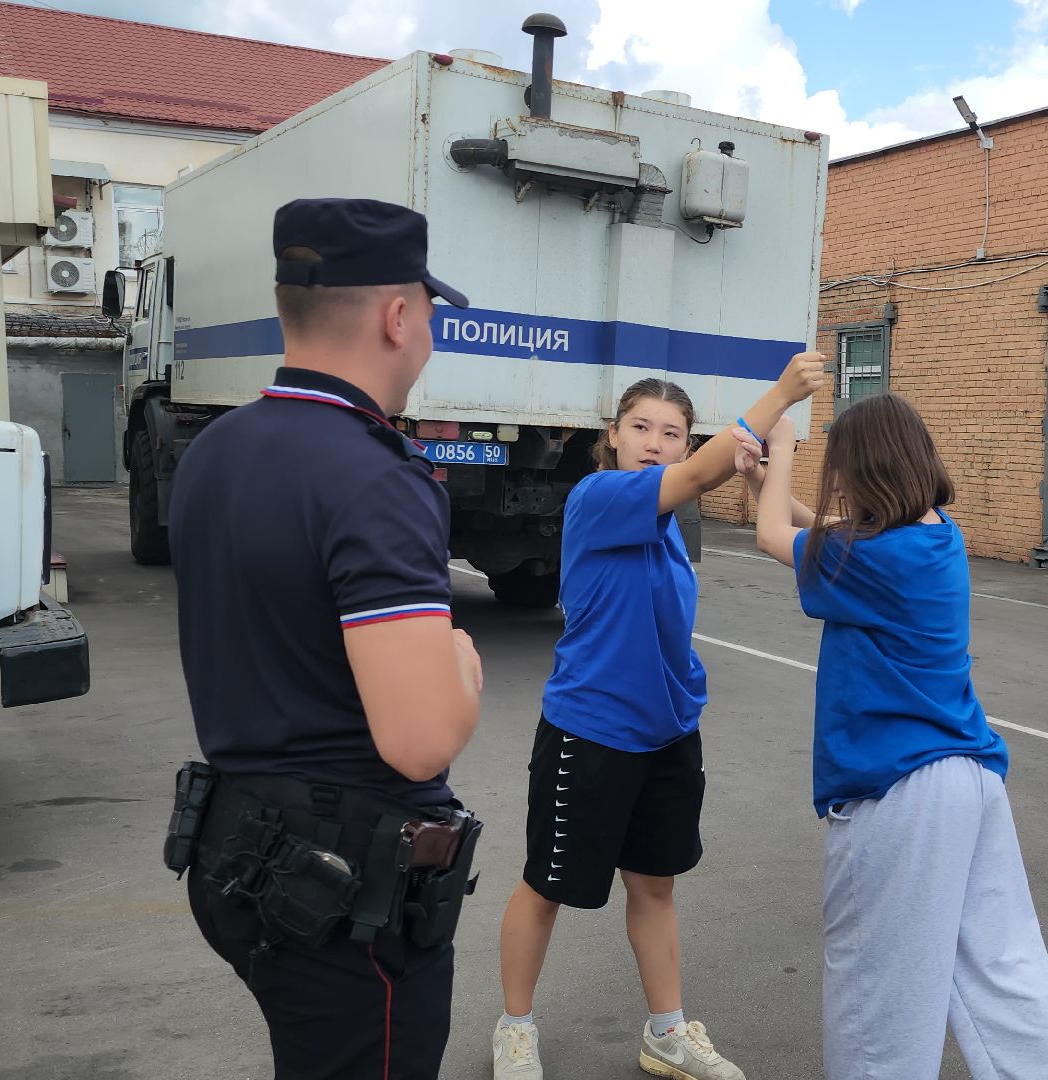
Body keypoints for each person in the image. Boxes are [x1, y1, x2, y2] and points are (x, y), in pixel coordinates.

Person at [167, 197, 485, 1080]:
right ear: (397, 317)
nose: (428, 332)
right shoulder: (375, 476)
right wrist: (460, 667)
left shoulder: (219, 448)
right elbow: (419, 741)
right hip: (344, 890)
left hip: (240, 848)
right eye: (426, 312)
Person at [492, 356, 827, 1080]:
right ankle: (514, 1029)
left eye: (671, 432)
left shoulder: (669, 523)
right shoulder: (601, 495)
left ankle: (665, 1033)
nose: (654, 440)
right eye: (639, 426)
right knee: (546, 885)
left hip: (668, 731)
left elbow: (766, 511)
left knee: (653, 885)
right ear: (611, 437)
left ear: (683, 442)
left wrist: (777, 480)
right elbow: (704, 475)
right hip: (590, 730)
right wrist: (779, 396)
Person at [737, 394, 1048, 1080]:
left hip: (902, 793)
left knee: (878, 998)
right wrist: (764, 485)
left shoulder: (882, 557)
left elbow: (777, 538)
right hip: (969, 781)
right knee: (1001, 974)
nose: (833, 484)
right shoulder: (933, 535)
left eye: (839, 468)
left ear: (866, 469)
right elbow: (825, 537)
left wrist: (779, 452)